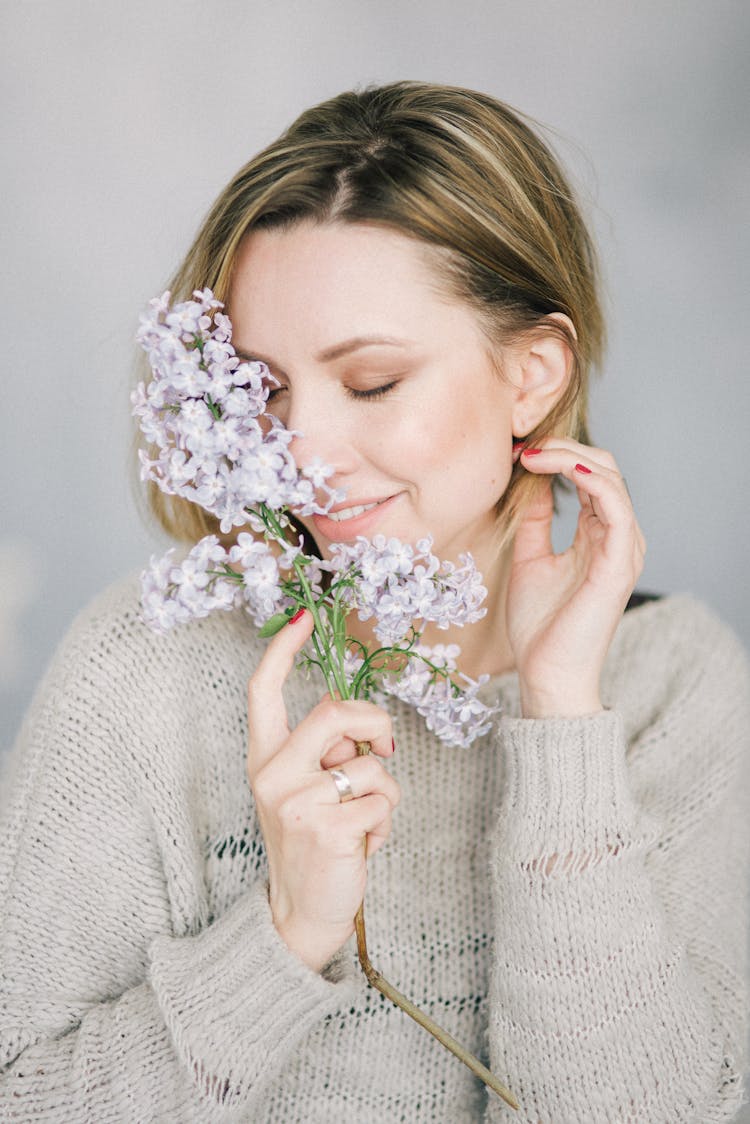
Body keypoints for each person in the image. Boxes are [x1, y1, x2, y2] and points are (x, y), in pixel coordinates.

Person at [1, 79, 748, 1123]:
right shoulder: (142, 669)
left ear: (533, 373)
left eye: (372, 382)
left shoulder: (677, 686)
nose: (298, 454)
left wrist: (563, 716)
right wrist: (283, 935)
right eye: (262, 390)